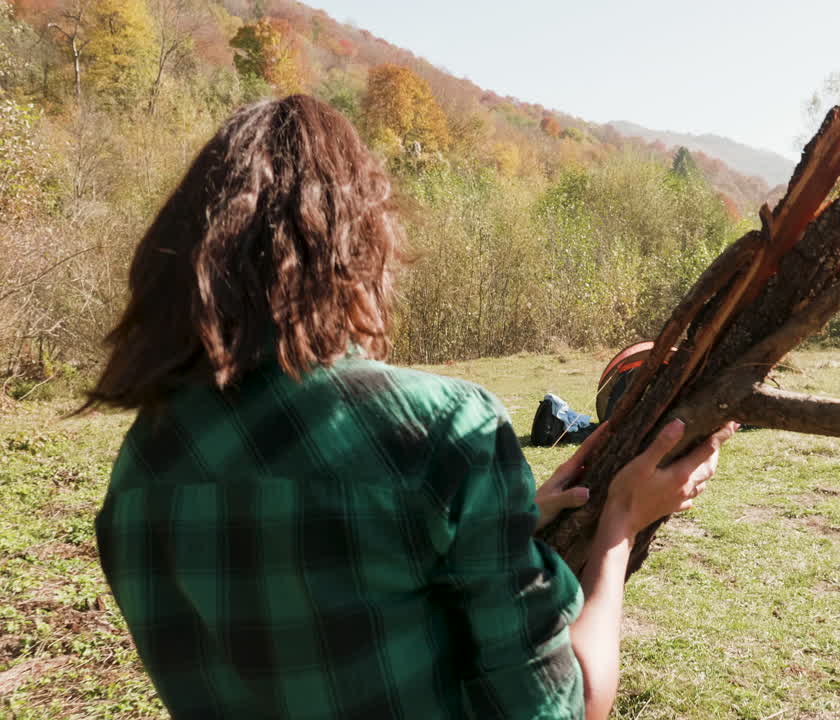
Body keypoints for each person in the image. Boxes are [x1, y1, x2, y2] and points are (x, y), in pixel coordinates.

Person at [82, 95, 733, 719]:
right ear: (360, 248)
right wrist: (621, 520)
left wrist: (501, 522)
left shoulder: (136, 476)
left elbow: (329, 598)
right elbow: (568, 705)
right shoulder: (445, 428)